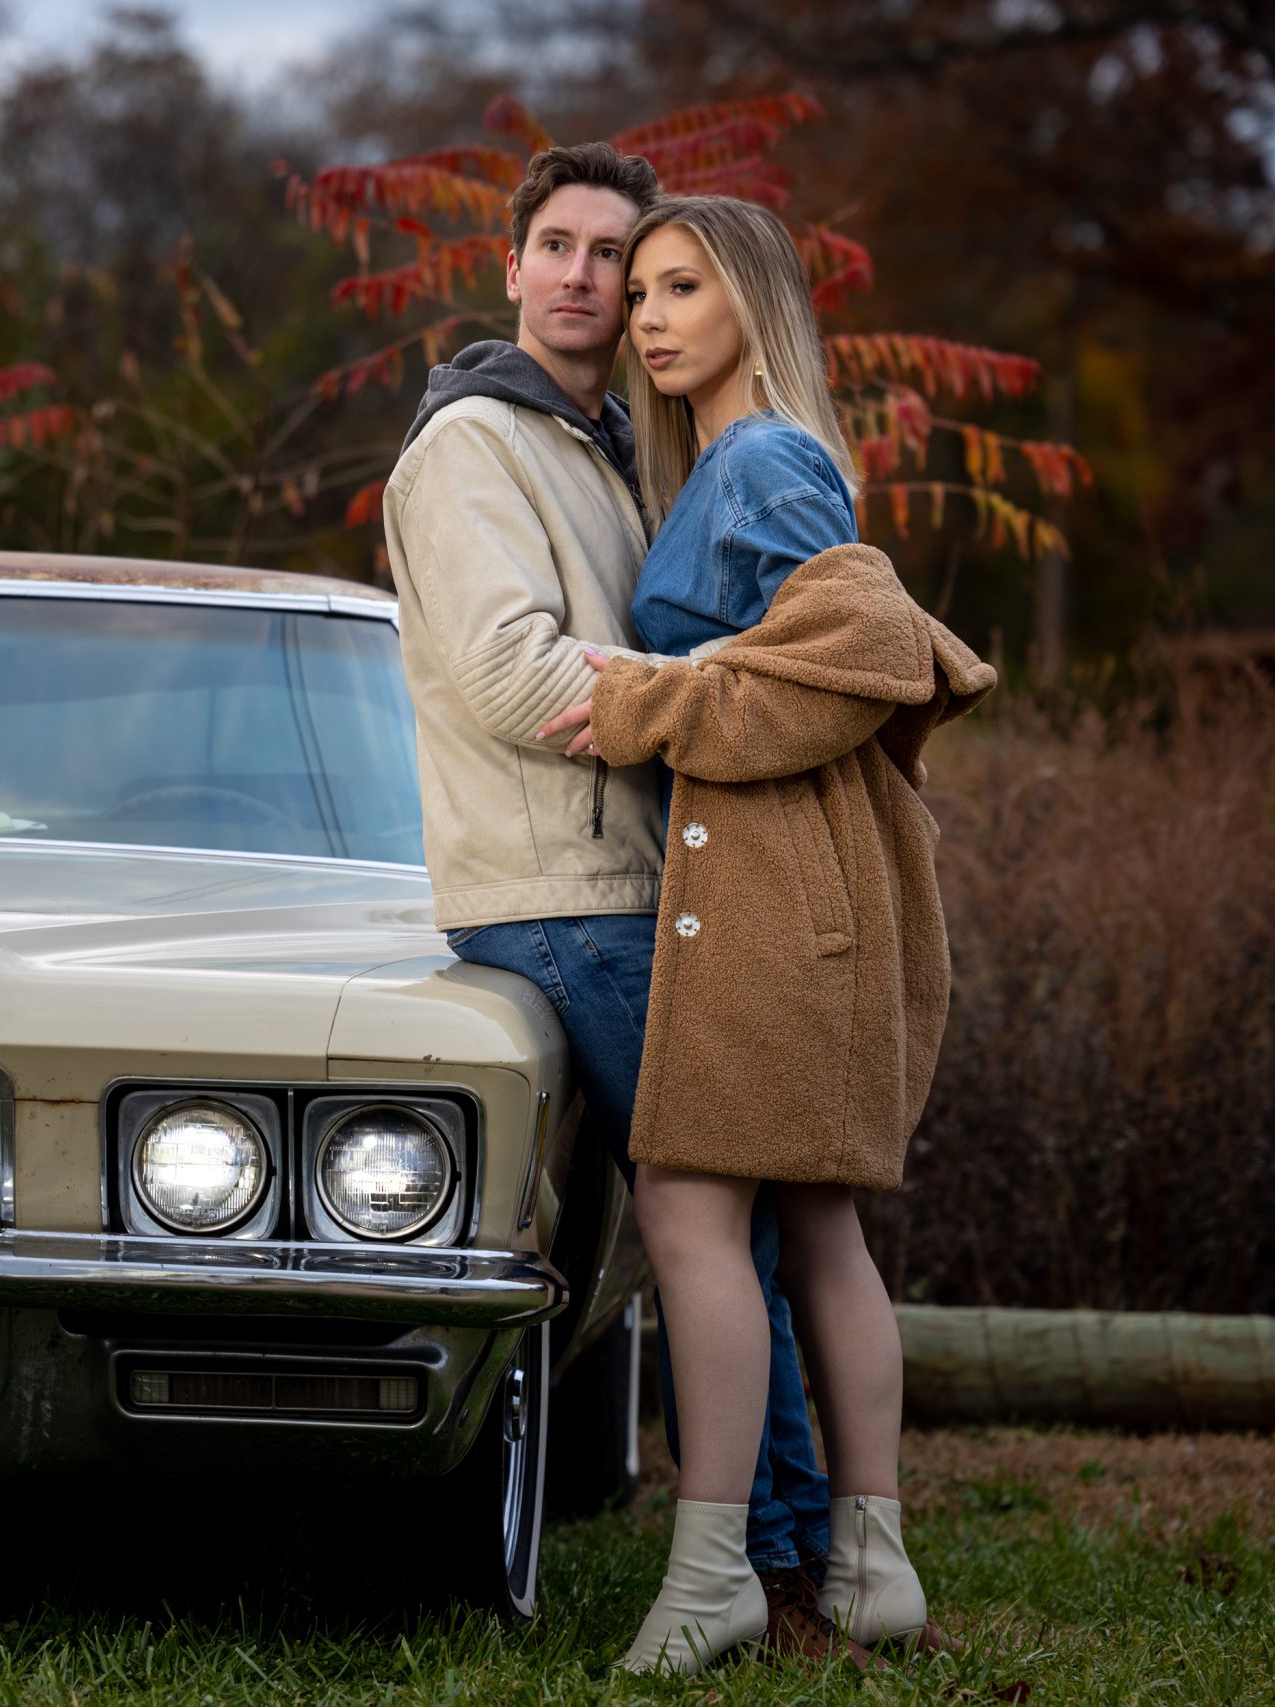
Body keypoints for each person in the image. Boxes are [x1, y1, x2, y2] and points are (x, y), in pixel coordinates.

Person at [381, 145, 846, 1660]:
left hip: (653, 888)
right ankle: (783, 1573)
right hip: (570, 897)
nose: (592, 281)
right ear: (509, 271)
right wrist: (735, 692)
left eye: (624, 260)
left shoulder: (607, 447)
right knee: (717, 1227)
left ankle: (798, 1563)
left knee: (735, 1226)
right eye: (563, 250)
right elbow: (517, 678)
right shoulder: (470, 452)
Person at [538, 194, 994, 1672]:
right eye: (641, 292)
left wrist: (638, 701)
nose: (646, 315)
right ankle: (869, 1566)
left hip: (781, 888)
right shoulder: (725, 468)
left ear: (754, 302)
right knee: (813, 1226)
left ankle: (714, 1574)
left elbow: (861, 658)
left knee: (689, 1209)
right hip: (786, 886)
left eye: (680, 287)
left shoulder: (772, 461)